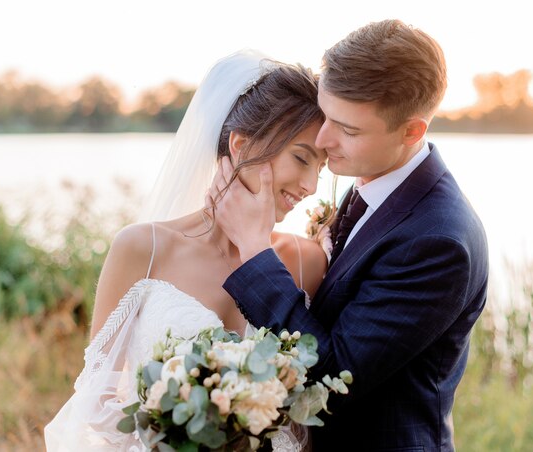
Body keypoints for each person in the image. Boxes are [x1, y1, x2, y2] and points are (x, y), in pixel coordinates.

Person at [210, 20, 489, 451]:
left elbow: (331, 374)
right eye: (327, 115)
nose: (324, 140)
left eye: (348, 130)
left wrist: (253, 248)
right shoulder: (373, 182)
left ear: (411, 131)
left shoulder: (438, 241)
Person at [44, 49, 328, 451]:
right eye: (302, 158)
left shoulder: (307, 261)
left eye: (322, 166)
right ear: (241, 145)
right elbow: (97, 396)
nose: (312, 184)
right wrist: (179, 434)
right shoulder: (143, 247)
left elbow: (315, 406)